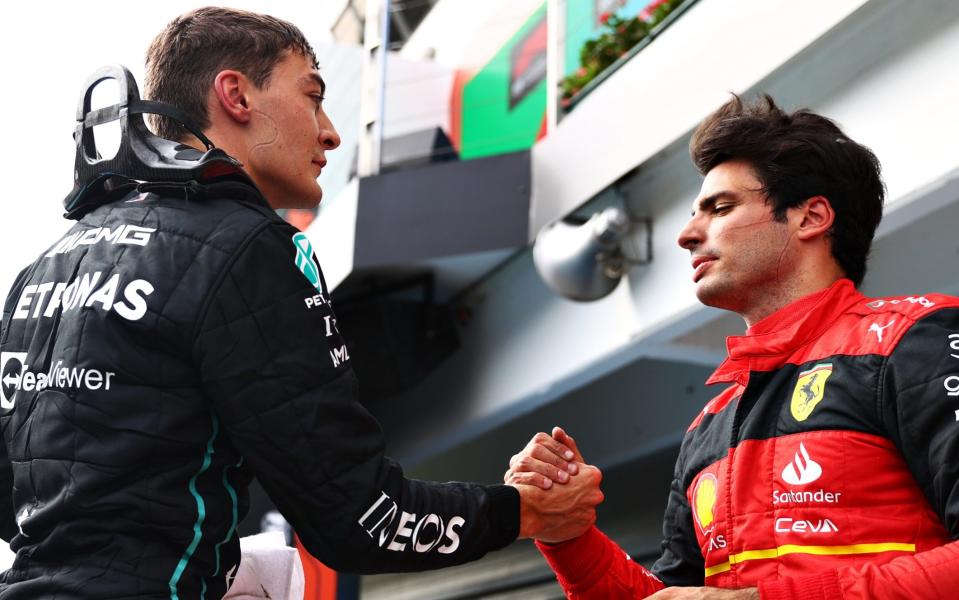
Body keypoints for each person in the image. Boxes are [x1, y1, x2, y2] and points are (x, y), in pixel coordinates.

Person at [0, 7, 603, 598]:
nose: (331, 131)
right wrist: (527, 512)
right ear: (235, 95)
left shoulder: (44, 264)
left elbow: (18, 512)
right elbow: (358, 517)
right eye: (312, 96)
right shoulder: (249, 245)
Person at [505, 95, 959, 599]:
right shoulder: (710, 423)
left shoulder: (917, 338)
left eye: (720, 207)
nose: (686, 235)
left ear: (810, 218)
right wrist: (567, 533)